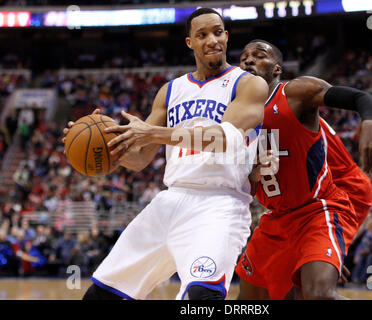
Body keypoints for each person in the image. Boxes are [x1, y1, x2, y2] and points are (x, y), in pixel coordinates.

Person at [63, 8, 268, 300]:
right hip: (170, 201)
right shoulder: (170, 91)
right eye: (203, 34)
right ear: (190, 43)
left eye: (218, 32)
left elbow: (223, 139)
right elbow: (140, 159)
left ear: (226, 36)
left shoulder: (247, 84)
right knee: (100, 296)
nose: (212, 40)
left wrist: (153, 133)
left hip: (219, 204)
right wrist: (106, 146)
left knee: (200, 300)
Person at [235, 39, 372, 300]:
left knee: (317, 294)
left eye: (258, 56)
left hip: (322, 203)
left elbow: (362, 97)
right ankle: (317, 260)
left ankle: (319, 258)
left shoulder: (295, 93)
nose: (248, 60)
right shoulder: (235, 114)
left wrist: (369, 123)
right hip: (279, 215)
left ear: (277, 68)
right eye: (244, 57)